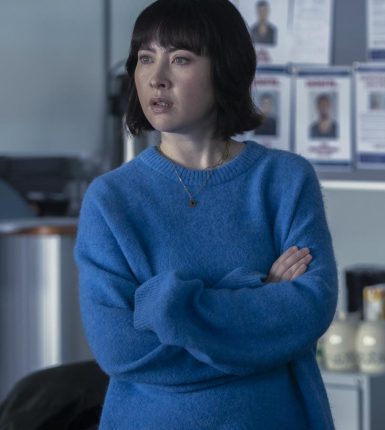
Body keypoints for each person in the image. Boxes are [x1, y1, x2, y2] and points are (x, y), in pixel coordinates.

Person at [74, 0, 337, 428]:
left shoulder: (285, 179)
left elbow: (309, 310)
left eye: (180, 59)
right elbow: (121, 349)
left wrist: (169, 307)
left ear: (225, 68)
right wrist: (254, 293)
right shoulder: (111, 199)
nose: (157, 78)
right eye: (146, 58)